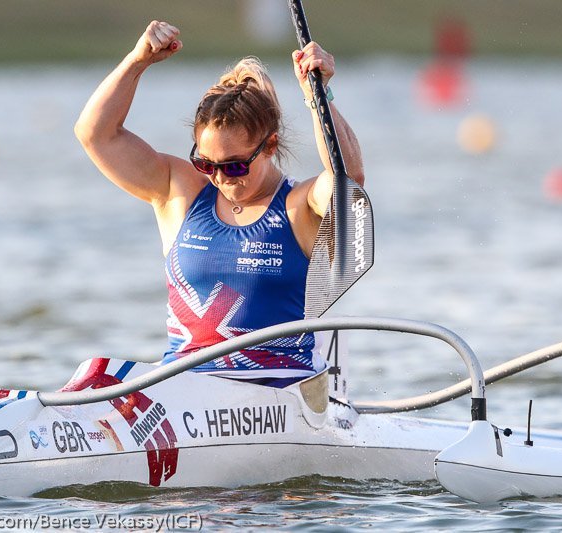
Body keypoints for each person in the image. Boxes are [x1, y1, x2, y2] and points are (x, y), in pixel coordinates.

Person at [75, 21, 365, 388]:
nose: (220, 178)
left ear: (270, 146)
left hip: (278, 391)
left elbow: (348, 181)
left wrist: (318, 95)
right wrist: (137, 61)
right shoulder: (180, 192)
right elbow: (95, 134)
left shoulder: (299, 207)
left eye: (234, 166)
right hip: (183, 387)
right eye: (206, 164)